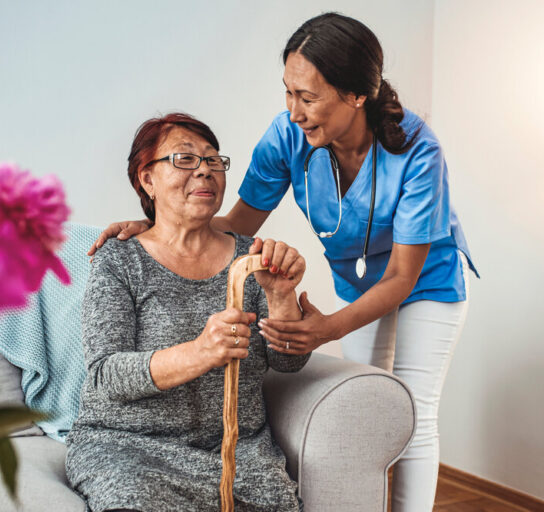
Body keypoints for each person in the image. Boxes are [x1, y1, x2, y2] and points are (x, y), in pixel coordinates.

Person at [89, 13, 478, 511]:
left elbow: (403, 276)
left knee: (416, 410)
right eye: (288, 93)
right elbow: (237, 224)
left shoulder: (418, 151)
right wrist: (160, 224)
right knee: (375, 404)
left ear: (357, 95)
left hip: (427, 280)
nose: (294, 111)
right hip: (359, 279)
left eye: (308, 97)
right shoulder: (288, 136)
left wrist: (328, 328)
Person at [66, 112, 309, 512]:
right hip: (130, 449)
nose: (205, 170)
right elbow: (106, 374)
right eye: (184, 159)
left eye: (213, 160)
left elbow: (289, 362)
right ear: (148, 179)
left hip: (236, 453)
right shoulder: (120, 259)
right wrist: (200, 352)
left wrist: (281, 295)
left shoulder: (252, 258)